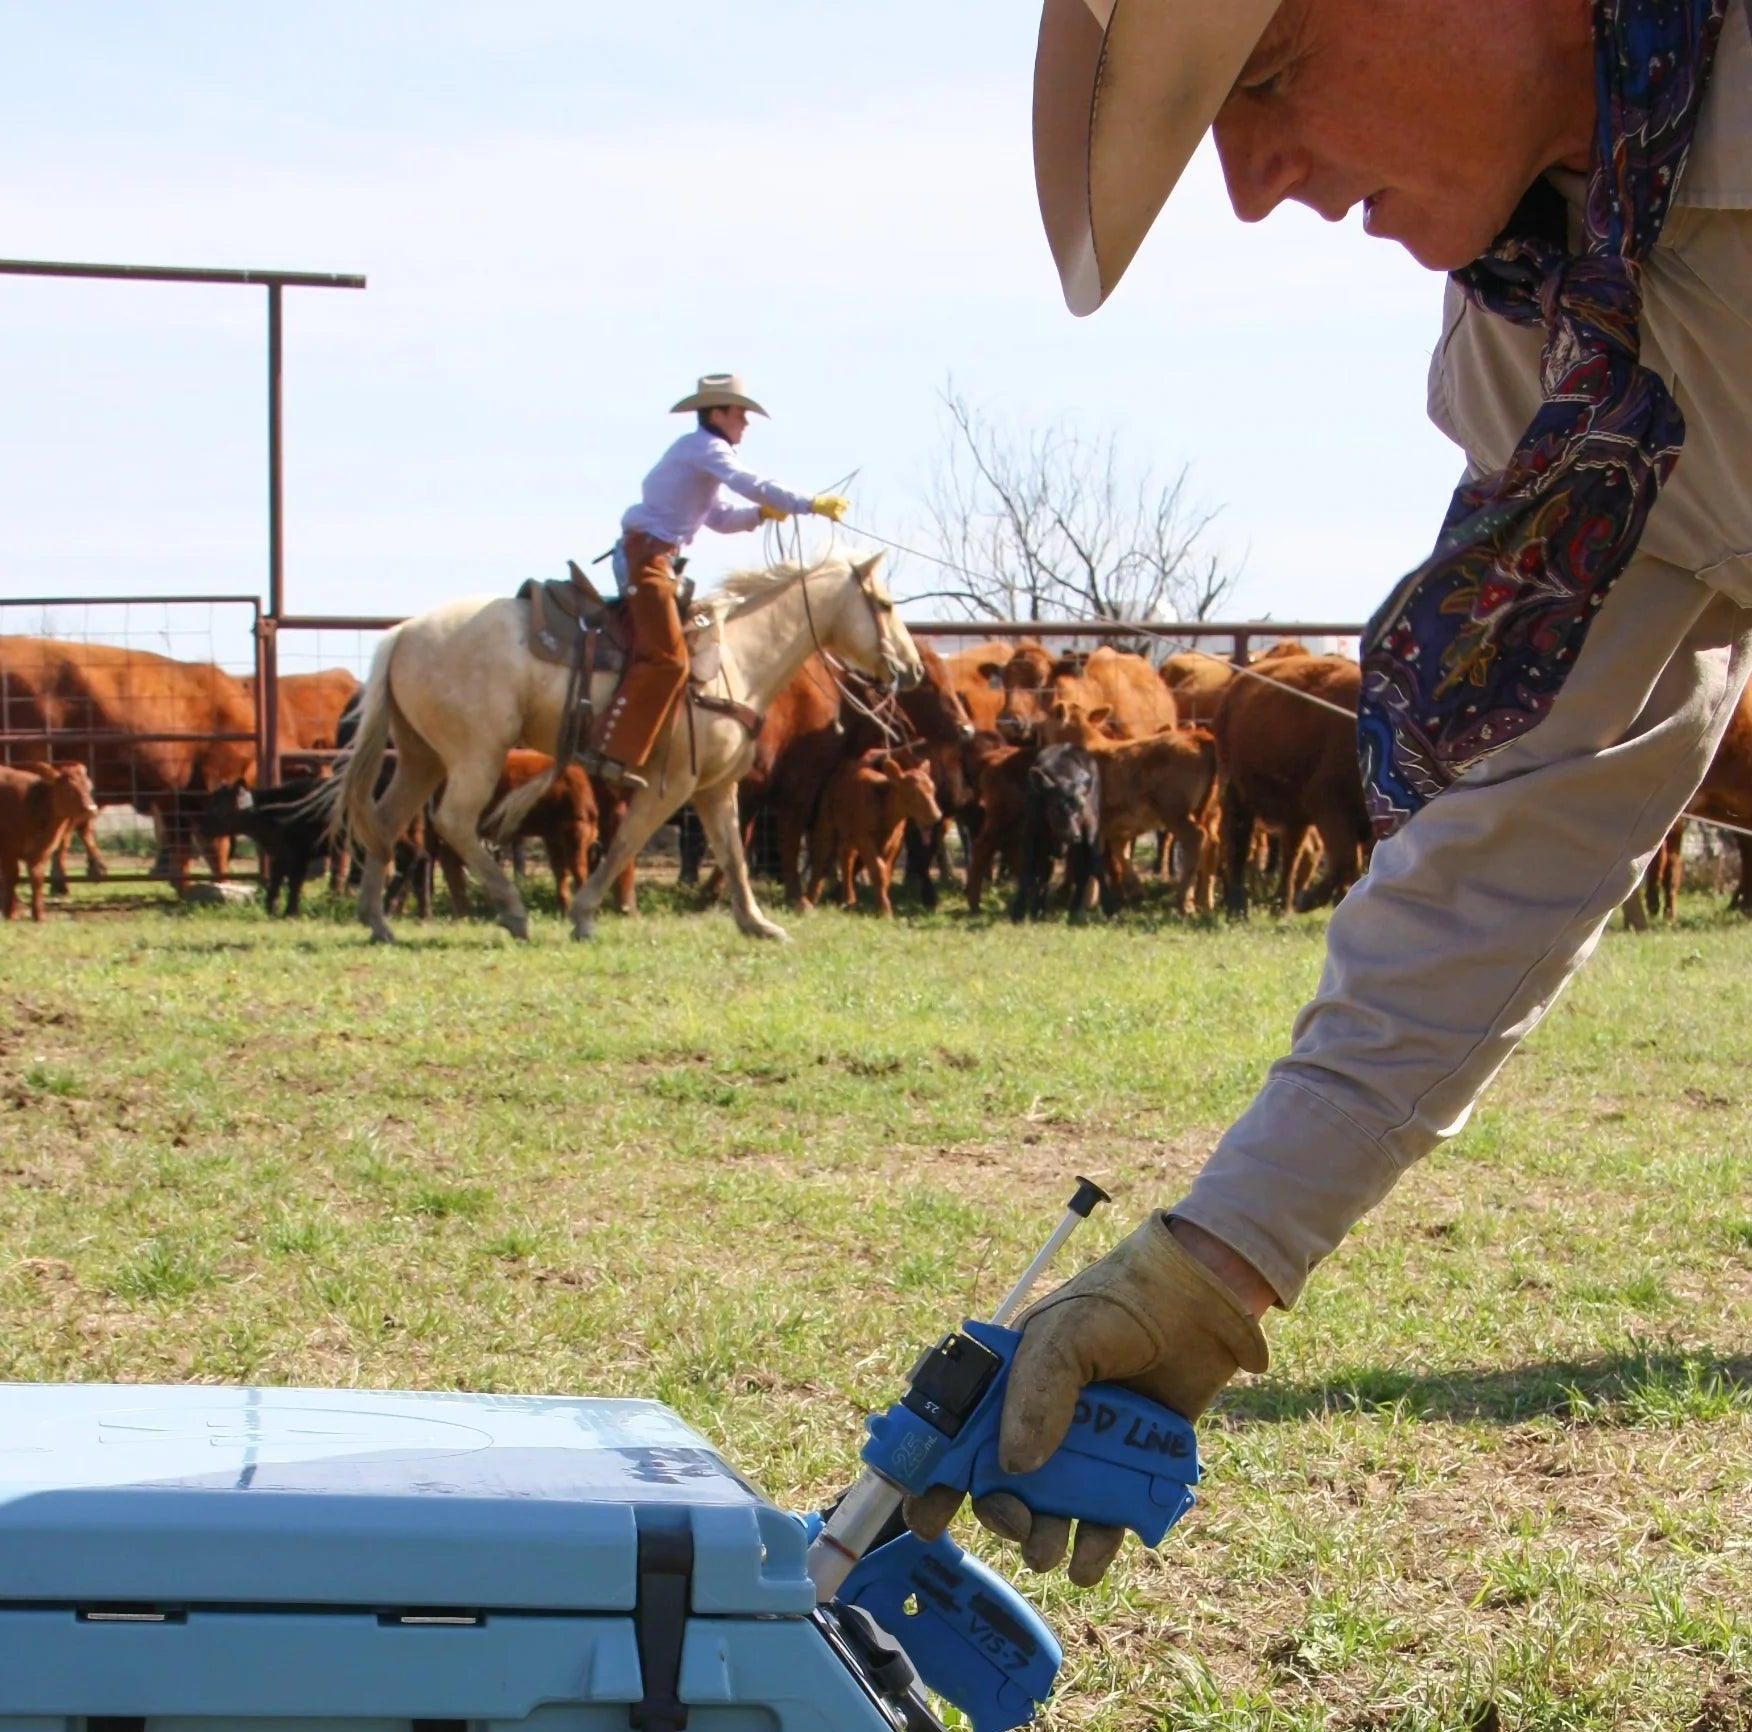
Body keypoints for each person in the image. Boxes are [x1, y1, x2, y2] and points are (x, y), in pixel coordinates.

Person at [910, 0, 1752, 1581]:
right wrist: (1218, 1265)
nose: (1247, 186)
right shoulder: (1556, 370)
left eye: (1271, 78)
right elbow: (1509, 843)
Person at [576, 373, 848, 790]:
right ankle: (615, 752)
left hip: (653, 557)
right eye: (741, 412)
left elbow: (718, 517)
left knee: (675, 649)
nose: (746, 422)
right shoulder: (708, 449)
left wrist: (761, 515)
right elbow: (751, 484)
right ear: (717, 413)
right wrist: (807, 504)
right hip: (647, 559)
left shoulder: (699, 454)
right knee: (667, 657)